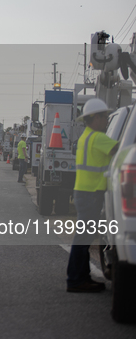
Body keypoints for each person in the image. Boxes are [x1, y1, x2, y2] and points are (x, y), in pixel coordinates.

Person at [67, 98, 118, 293]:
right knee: (83, 240)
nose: (106, 120)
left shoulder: (86, 136)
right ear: (95, 118)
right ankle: (75, 280)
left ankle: (82, 277)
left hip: (83, 193)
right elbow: (122, 151)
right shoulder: (98, 138)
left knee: (83, 239)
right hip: (90, 194)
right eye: (105, 117)